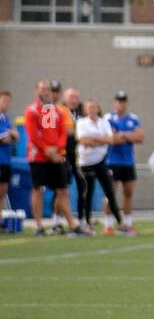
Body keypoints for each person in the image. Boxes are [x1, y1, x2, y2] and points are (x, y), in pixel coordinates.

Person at [24, 80, 87, 236]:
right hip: (38, 157)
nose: (46, 91)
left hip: (56, 157)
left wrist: (57, 150)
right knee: (38, 189)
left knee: (62, 189)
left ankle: (72, 224)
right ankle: (38, 226)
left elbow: (61, 132)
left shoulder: (54, 110)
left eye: (48, 89)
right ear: (37, 91)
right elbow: (33, 134)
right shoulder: (32, 110)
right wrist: (47, 150)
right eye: (43, 89)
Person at [75, 100, 126, 233]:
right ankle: (87, 223)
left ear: (98, 108)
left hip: (101, 161)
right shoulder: (82, 122)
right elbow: (83, 140)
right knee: (88, 193)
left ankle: (121, 224)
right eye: (89, 107)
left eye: (94, 107)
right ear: (86, 110)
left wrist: (94, 140)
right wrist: (101, 140)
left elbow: (111, 140)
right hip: (86, 163)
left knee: (109, 191)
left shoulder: (104, 122)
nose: (92, 110)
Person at [105, 91, 143, 235]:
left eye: (123, 101)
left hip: (128, 161)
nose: (121, 104)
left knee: (128, 193)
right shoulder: (108, 118)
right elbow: (110, 138)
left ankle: (127, 224)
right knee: (110, 194)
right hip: (112, 161)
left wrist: (123, 135)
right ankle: (109, 224)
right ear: (115, 103)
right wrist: (129, 136)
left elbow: (140, 136)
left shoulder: (132, 118)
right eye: (119, 101)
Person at [57, 84, 86, 229]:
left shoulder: (84, 112)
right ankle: (56, 220)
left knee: (82, 185)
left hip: (80, 156)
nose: (74, 100)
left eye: (76, 97)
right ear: (65, 98)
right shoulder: (58, 110)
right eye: (71, 97)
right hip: (64, 154)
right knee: (61, 188)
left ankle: (82, 219)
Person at [0, 91, 17, 214]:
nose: (7, 103)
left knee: (3, 191)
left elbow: (16, 136)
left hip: (6, 160)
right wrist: (9, 134)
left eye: (8, 101)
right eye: (4, 100)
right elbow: (6, 137)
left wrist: (10, 135)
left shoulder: (6, 118)